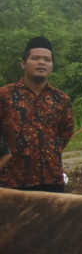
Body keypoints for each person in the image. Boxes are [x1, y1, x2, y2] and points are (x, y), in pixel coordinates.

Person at [0, 37, 74, 192]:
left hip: (51, 180)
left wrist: (49, 151)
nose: (42, 62)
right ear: (23, 63)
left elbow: (65, 133)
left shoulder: (61, 99)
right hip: (13, 182)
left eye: (47, 59)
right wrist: (5, 155)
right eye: (35, 58)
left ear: (52, 65)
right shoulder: (5, 95)